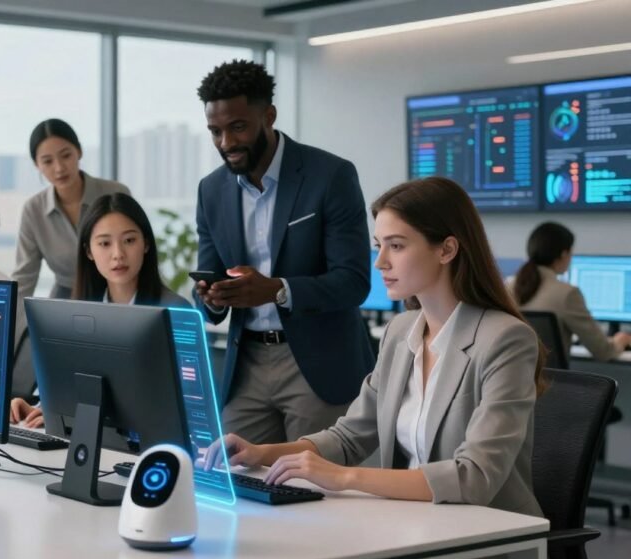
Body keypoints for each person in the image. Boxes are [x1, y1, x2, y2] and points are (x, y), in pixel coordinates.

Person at [204, 177, 545, 518]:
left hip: (486, 542)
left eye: (396, 246)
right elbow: (350, 436)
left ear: (446, 249)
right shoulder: (400, 332)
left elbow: (474, 477)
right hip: (412, 525)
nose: (380, 261)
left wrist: (344, 477)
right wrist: (260, 453)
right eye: (378, 245)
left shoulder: (505, 340)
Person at [194, 60, 374, 445]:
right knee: (235, 485)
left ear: (268, 116)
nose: (226, 143)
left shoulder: (330, 176)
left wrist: (277, 290)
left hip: (317, 364)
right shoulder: (211, 191)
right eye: (215, 131)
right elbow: (208, 278)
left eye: (237, 127)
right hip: (246, 365)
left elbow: (354, 282)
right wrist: (211, 297)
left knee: (319, 492)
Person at [10, 192, 191, 428]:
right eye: (105, 243)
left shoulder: (176, 311)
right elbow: (71, 382)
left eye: (129, 240)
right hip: (95, 438)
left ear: (146, 243)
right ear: (89, 252)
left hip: (151, 443)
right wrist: (42, 408)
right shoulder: (77, 311)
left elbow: (189, 401)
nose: (118, 254)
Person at [12, 119, 131, 302]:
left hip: (118, 294)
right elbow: (24, 277)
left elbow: (140, 253)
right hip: (66, 299)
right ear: (37, 165)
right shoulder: (34, 210)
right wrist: (10, 326)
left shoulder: (115, 193)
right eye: (47, 161)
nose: (59, 168)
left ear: (79, 152)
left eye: (66, 155)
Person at [510, 221, 631, 360]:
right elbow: (603, 352)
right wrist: (621, 340)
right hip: (551, 380)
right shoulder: (567, 294)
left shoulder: (508, 287)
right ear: (563, 254)